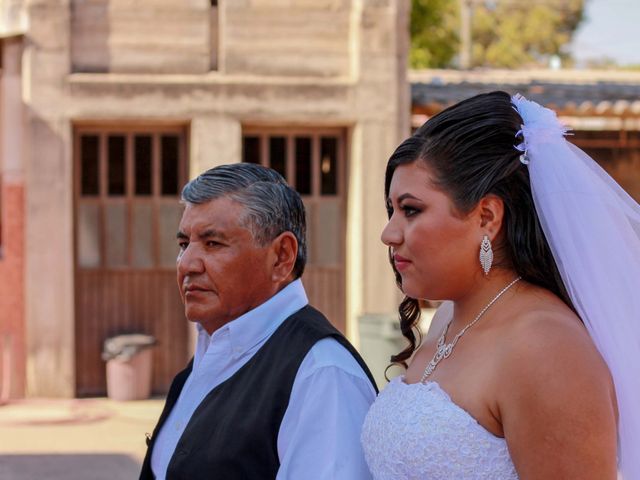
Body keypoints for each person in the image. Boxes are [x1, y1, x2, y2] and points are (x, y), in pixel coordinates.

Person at [361, 91, 640, 479]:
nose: (389, 233)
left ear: (487, 217)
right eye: (392, 211)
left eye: (411, 210)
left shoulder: (546, 348)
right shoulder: (448, 319)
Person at [139, 163, 377, 480]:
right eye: (184, 245)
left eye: (213, 243)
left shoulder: (322, 375)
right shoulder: (209, 357)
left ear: (281, 257)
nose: (188, 264)